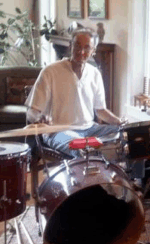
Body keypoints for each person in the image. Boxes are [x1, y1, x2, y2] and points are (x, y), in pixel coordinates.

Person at [25, 28, 123, 158]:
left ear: (93, 51)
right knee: (83, 148)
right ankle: (85, 177)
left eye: (87, 47)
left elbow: (100, 111)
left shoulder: (95, 74)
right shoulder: (50, 72)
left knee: (127, 136)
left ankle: (116, 177)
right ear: (70, 46)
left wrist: (119, 122)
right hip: (58, 131)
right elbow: (32, 112)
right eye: (77, 45)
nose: (81, 51)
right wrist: (39, 119)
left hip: (90, 129)